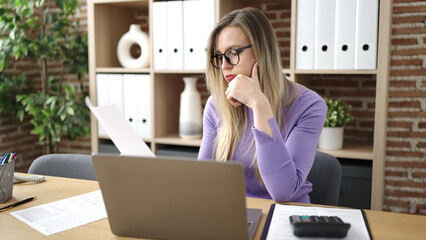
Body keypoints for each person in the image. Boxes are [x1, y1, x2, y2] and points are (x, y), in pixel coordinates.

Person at [197, 7, 327, 204]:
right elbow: (202, 182)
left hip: (286, 213)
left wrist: (259, 104)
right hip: (236, 213)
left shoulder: (309, 105)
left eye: (232, 53)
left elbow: (282, 192)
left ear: (262, 52)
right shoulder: (216, 105)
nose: (224, 66)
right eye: (218, 56)